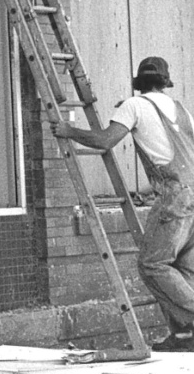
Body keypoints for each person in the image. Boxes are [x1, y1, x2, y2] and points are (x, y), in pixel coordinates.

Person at [52, 56, 194, 352]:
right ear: (165, 82)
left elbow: (105, 141)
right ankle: (184, 337)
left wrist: (70, 131)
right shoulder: (181, 109)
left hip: (175, 194)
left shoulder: (134, 105)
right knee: (183, 267)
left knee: (152, 265)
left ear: (138, 82)